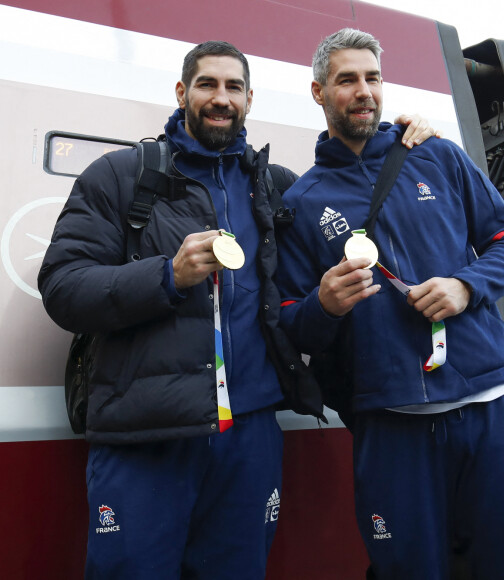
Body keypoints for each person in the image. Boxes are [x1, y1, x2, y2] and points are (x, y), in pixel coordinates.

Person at [38, 40, 436, 580]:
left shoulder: (275, 190)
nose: (220, 98)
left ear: (250, 99)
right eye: (207, 84)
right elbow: (63, 287)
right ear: (182, 93)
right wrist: (167, 276)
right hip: (146, 436)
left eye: (233, 88)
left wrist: (410, 142)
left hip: (249, 436)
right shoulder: (119, 176)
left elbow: (361, 208)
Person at [276, 28, 504, 579]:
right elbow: (289, 325)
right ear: (318, 92)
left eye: (372, 77)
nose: (364, 91)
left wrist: (466, 287)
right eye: (346, 80)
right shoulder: (301, 202)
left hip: (487, 404)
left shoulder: (439, 157)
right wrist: (323, 305)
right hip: (392, 420)